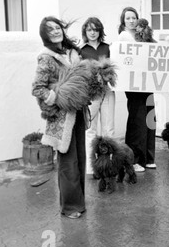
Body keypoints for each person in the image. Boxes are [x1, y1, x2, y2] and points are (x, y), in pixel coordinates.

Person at [32, 16, 86, 219]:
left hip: (78, 112)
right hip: (61, 116)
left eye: (57, 28)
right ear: (44, 35)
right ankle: (70, 206)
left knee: (80, 158)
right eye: (50, 30)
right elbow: (38, 88)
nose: (55, 31)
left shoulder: (72, 53)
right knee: (67, 161)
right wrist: (58, 98)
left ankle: (79, 202)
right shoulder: (46, 57)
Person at [118, 7, 156, 172]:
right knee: (137, 119)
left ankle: (148, 157)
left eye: (134, 18)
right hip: (134, 84)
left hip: (147, 82)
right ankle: (135, 159)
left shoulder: (143, 36)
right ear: (123, 21)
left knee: (149, 117)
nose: (132, 21)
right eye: (128, 18)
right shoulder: (124, 36)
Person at [80, 17, 115, 175]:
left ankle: (109, 165)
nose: (92, 33)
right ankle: (91, 167)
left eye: (95, 29)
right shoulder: (81, 50)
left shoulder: (109, 47)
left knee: (109, 128)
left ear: (100, 31)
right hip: (91, 93)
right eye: (89, 30)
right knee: (90, 130)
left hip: (107, 91)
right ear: (85, 32)